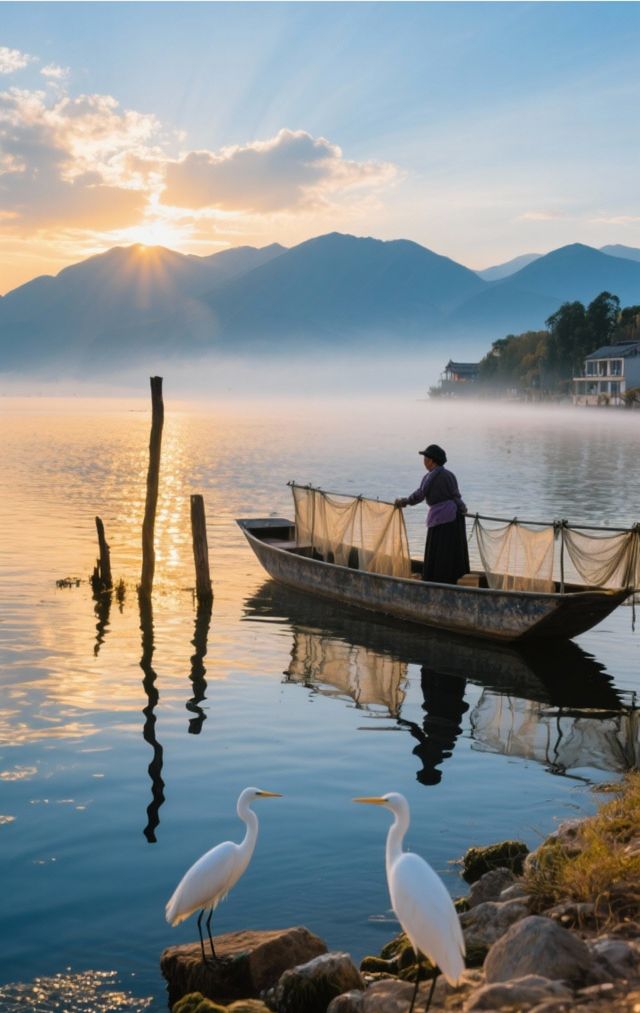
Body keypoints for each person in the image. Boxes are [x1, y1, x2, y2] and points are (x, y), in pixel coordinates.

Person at [395, 444, 469, 584]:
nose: (424, 461)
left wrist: (404, 502)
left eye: (425, 458)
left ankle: (436, 580)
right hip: (455, 517)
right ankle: (451, 579)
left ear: (432, 461)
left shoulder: (431, 476)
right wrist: (463, 508)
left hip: (441, 518)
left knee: (438, 550)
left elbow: (420, 495)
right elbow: (456, 496)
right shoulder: (449, 475)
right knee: (449, 550)